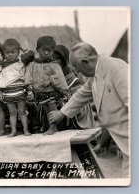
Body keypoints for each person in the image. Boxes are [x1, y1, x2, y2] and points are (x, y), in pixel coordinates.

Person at [48, 43, 129, 177]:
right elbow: (81, 95)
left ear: (85, 62)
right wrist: (61, 113)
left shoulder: (117, 68)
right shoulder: (95, 76)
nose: (78, 73)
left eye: (78, 69)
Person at [25, 36, 69, 135]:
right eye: (43, 50)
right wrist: (29, 86)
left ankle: (53, 127)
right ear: (37, 50)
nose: (46, 53)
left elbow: (60, 79)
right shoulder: (33, 64)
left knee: (52, 109)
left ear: (53, 50)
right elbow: (29, 76)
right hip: (39, 92)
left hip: (51, 91)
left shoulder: (54, 65)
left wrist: (63, 89)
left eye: (49, 50)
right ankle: (50, 126)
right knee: (45, 108)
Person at [53, 44, 99, 129]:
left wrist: (60, 107)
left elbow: (81, 109)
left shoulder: (74, 83)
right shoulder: (54, 81)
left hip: (79, 129)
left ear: (64, 61)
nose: (53, 63)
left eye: (56, 59)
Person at [0, 39, 31, 137]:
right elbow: (2, 80)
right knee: (12, 113)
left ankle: (26, 130)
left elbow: (31, 55)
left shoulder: (22, 63)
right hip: (8, 93)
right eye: (7, 52)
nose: (10, 55)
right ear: (3, 53)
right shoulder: (3, 65)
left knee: (22, 112)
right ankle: (13, 131)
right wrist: (0, 92)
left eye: (13, 52)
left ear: (18, 52)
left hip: (20, 92)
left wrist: (22, 48)